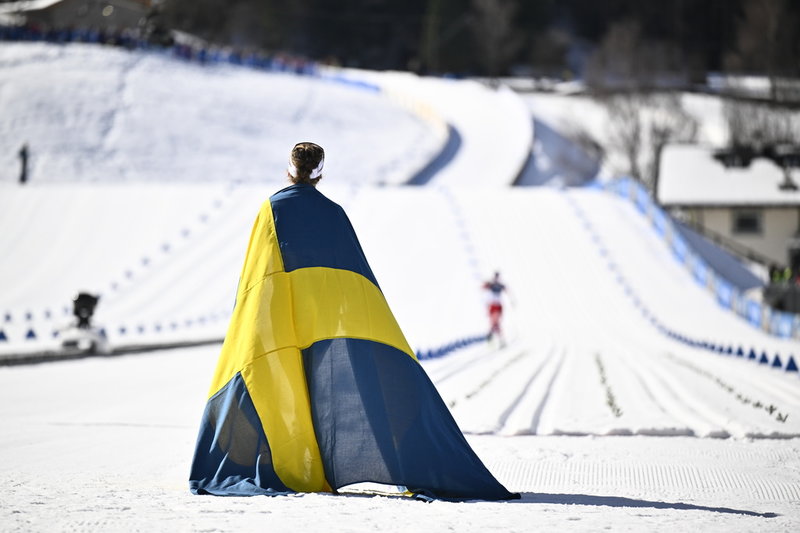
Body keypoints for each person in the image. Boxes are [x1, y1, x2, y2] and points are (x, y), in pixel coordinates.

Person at [189, 142, 516, 501]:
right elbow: (352, 274)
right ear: (320, 173)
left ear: (289, 169)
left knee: (285, 391)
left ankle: (295, 464)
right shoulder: (334, 213)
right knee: (324, 391)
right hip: (327, 323)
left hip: (285, 318)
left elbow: (258, 275)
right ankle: (331, 465)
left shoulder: (271, 209)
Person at [483, 271, 507, 342]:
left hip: (498, 305)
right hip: (493, 305)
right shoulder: (491, 284)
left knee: (496, 322)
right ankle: (494, 337)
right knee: (494, 322)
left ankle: (492, 337)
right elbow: (483, 287)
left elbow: (506, 290)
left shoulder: (500, 285)